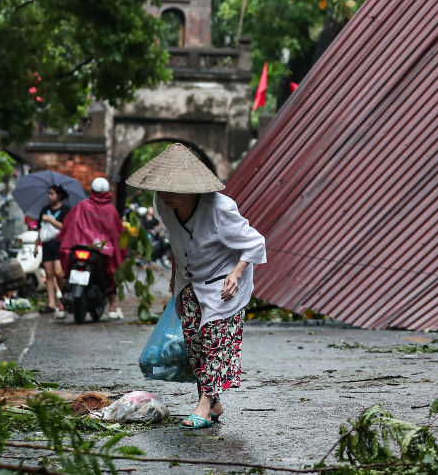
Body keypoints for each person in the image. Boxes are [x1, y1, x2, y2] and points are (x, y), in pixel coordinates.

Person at [125, 143, 266, 430]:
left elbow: (255, 243)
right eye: (161, 189)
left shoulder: (219, 209)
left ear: (191, 189)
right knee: (195, 345)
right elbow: (176, 242)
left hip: (224, 283)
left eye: (172, 190)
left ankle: (204, 403)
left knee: (215, 344)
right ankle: (215, 404)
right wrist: (175, 285)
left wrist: (236, 275)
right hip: (189, 281)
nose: (164, 196)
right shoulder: (162, 204)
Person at [58, 177, 126, 319]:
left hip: (79, 246)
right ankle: (113, 307)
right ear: (108, 192)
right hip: (101, 251)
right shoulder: (111, 211)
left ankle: (61, 306)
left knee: (66, 271)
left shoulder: (83, 205)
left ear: (92, 191)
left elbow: (68, 225)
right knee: (113, 271)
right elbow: (117, 234)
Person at [37, 184, 71, 317]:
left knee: (59, 273)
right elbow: (40, 229)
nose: (49, 196)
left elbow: (65, 227)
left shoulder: (66, 210)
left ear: (59, 196)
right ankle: (51, 303)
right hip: (46, 245)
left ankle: (63, 300)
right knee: (49, 275)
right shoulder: (44, 210)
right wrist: (36, 245)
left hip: (59, 244)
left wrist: (51, 220)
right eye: (49, 194)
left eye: (52, 194)